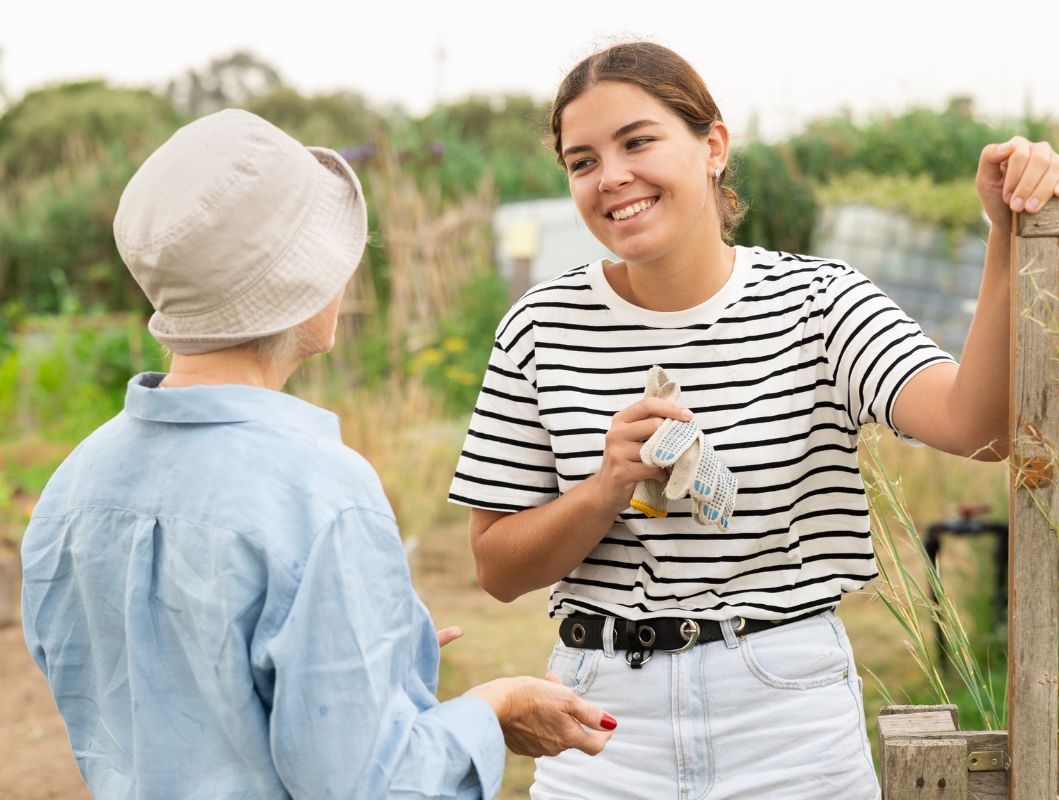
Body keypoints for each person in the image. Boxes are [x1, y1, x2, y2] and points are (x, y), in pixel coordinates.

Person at [447, 42, 1059, 798]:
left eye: (637, 141)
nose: (611, 177)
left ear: (713, 145)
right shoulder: (540, 326)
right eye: (582, 162)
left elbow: (978, 429)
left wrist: (1007, 234)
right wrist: (606, 487)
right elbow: (496, 569)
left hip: (786, 713)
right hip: (604, 725)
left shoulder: (820, 302)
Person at [21, 109, 615, 800]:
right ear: (299, 283)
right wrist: (493, 710)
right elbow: (379, 787)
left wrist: (382, 674)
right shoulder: (320, 493)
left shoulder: (76, 482)